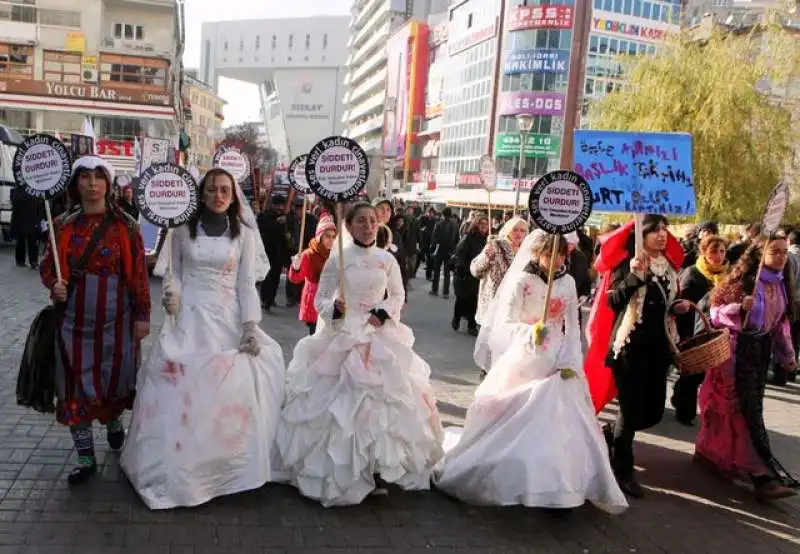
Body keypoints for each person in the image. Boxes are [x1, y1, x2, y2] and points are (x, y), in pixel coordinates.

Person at [121, 168, 285, 510]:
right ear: (202, 193)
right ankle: (180, 463)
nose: (219, 195)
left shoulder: (244, 236)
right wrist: (171, 294)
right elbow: (174, 272)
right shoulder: (182, 228)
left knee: (226, 389)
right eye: (212, 189)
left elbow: (245, 285)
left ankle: (223, 466)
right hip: (187, 317)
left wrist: (251, 325)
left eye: (225, 190)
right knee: (182, 388)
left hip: (226, 317)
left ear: (233, 195)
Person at [434, 231, 627, 514]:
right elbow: (506, 323)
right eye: (550, 254)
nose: (556, 260)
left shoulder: (569, 282)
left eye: (561, 254)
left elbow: (572, 326)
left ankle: (559, 484)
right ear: (537, 253)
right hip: (527, 354)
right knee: (518, 410)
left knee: (561, 417)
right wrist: (529, 331)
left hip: (559, 355)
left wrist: (572, 357)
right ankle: (517, 474)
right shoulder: (523, 280)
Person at [273, 202, 444, 507]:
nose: (368, 226)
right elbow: (321, 298)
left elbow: (399, 294)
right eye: (361, 221)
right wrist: (332, 310)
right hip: (343, 333)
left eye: (372, 221)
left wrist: (384, 312)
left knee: (386, 399)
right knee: (340, 403)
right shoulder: (338, 259)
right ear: (349, 227)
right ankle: (347, 468)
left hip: (378, 332)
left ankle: (379, 466)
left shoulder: (386, 259)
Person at [39, 156, 151, 485]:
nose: (91, 184)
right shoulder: (62, 224)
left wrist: (142, 315)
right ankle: (86, 458)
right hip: (72, 324)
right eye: (84, 177)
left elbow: (139, 276)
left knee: (114, 382)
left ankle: (113, 422)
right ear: (75, 184)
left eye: (98, 177)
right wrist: (54, 284)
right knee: (74, 387)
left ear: (109, 183)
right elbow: (48, 265)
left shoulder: (125, 226)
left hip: (117, 323)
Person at [584, 215, 689, 498]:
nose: (662, 235)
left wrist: (677, 307)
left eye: (665, 230)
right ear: (641, 235)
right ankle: (622, 470)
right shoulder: (628, 264)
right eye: (655, 230)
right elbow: (613, 301)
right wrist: (634, 277)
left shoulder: (669, 267)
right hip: (629, 348)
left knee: (653, 413)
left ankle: (612, 434)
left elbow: (666, 303)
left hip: (659, 350)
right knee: (629, 414)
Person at [695, 236, 798, 501]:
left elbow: (780, 326)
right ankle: (761, 476)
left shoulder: (780, 284)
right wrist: (739, 306)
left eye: (784, 252)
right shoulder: (743, 283)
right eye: (775, 251)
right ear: (759, 255)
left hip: (759, 354)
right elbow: (715, 313)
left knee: (747, 411)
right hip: (735, 353)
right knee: (742, 413)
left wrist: (787, 357)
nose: (781, 257)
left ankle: (710, 453)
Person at [672, 234, 729, 426]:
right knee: (691, 373)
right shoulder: (692, 274)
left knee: (705, 374)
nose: (718, 256)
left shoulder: (726, 275)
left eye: (722, 251)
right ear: (703, 252)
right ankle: (684, 410)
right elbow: (681, 305)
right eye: (714, 251)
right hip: (691, 331)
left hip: (714, 332)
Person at [471, 217, 528, 375]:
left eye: (522, 230)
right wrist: (487, 257)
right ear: (508, 230)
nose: (519, 234)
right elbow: (475, 270)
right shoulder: (496, 245)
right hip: (494, 302)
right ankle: (487, 371)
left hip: (516, 304)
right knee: (492, 340)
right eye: (515, 230)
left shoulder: (528, 251)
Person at [288, 214, 337, 335]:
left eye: (333, 237)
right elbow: (295, 279)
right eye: (327, 236)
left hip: (331, 299)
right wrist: (296, 267)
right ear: (320, 236)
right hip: (314, 300)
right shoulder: (308, 254)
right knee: (316, 335)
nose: (331, 240)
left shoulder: (336, 254)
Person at [451, 215, 489, 336]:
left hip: (479, 275)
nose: (484, 226)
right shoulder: (468, 238)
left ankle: (472, 326)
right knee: (462, 299)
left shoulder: (488, 240)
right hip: (466, 274)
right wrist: (461, 269)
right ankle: (456, 318)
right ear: (476, 225)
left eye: (486, 224)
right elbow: (460, 254)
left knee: (475, 301)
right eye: (481, 224)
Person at [258, 195, 292, 311]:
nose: (280, 208)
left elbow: (287, 234)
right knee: (267, 277)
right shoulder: (264, 216)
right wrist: (276, 223)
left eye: (282, 205)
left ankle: (271, 299)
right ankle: (265, 300)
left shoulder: (285, 218)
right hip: (266, 251)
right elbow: (263, 230)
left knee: (276, 277)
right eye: (277, 205)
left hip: (279, 253)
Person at [429, 208, 460, 298]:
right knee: (447, 272)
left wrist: (432, 248)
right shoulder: (455, 225)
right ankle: (445, 292)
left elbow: (434, 238)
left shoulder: (439, 224)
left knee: (437, 271)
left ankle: (435, 290)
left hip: (439, 249)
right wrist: (454, 250)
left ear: (443, 214)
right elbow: (457, 239)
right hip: (449, 251)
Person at [11, 186, 43, 269]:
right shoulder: (18, 190)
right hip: (22, 219)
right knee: (22, 240)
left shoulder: (35, 190)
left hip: (31, 219)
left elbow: (39, 206)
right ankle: (22, 260)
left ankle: (32, 261)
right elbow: (15, 202)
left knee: (32, 241)